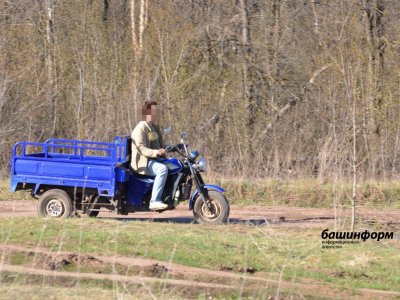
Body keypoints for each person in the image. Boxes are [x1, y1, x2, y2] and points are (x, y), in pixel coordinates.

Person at [130, 101, 169, 210]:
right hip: (143, 162)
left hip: (154, 160)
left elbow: (160, 145)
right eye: (154, 110)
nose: (157, 112)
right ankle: (154, 201)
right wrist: (156, 152)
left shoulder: (154, 127)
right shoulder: (141, 128)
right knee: (162, 170)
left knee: (173, 165)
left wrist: (172, 147)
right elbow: (141, 148)